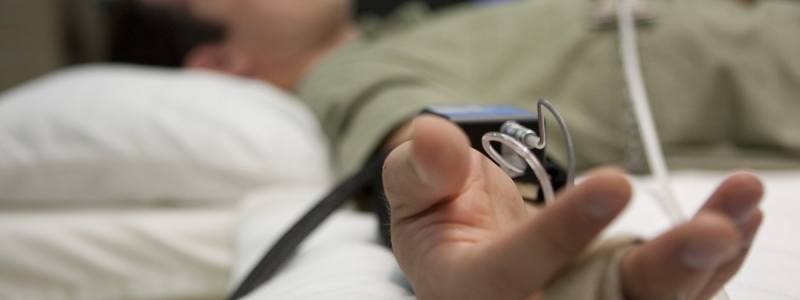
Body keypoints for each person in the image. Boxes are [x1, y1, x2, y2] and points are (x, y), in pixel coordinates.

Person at [117, 0, 797, 298]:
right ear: (219, 62)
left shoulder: (408, 25)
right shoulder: (346, 68)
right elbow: (411, 129)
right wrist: (455, 203)